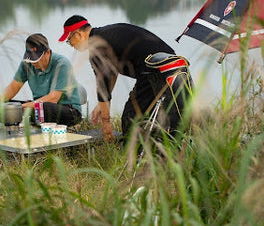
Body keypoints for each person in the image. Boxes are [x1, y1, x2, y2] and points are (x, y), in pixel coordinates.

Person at [59, 15, 193, 141]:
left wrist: (106, 123)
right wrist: (101, 106)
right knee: (156, 114)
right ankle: (155, 146)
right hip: (170, 64)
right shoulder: (105, 35)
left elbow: (103, 87)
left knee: (131, 118)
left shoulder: (96, 48)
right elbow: (111, 74)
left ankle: (133, 154)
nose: (71, 45)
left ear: (79, 34)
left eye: (69, 40)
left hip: (155, 69)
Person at [0, 33, 82, 126]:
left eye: (36, 59)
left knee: (45, 107)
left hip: (67, 111)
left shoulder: (62, 64)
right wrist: (0, 99)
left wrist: (23, 106)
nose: (33, 63)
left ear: (48, 52)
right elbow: (13, 87)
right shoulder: (27, 63)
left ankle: (35, 128)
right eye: (31, 59)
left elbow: (53, 98)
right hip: (38, 108)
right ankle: (11, 133)